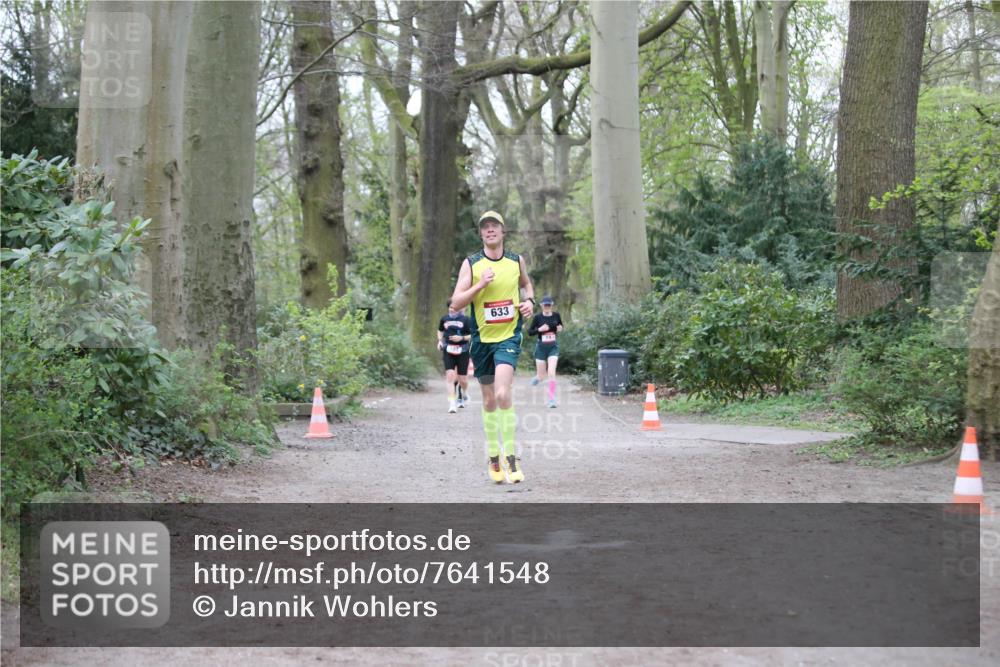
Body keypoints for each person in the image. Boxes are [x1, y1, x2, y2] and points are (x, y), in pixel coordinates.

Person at [450, 210, 534, 484]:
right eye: (485, 227)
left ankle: (512, 459)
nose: (490, 230)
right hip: (481, 341)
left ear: (503, 230)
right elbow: (456, 303)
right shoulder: (471, 264)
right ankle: (493, 457)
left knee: (501, 393)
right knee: (488, 400)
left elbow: (526, 284)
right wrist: (480, 285)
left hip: (508, 337)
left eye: (494, 226)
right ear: (481, 234)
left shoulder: (515, 260)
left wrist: (529, 301)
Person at [528, 295, 563, 408]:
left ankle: (552, 399)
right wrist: (539, 329)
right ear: (541, 305)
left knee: (551, 372)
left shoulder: (556, 315)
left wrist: (560, 328)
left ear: (552, 305)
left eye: (549, 305)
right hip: (541, 347)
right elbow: (530, 332)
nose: (547, 307)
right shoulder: (538, 317)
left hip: (553, 347)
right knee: (541, 376)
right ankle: (537, 378)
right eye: (545, 305)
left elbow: (560, 325)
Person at [437, 299, 472, 413]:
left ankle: (465, 393)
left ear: (460, 308)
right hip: (448, 349)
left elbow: (472, 335)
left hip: (463, 350)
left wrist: (461, 338)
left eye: (454, 308)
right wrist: (440, 341)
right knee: (450, 376)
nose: (452, 309)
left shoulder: (466, 320)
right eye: (450, 307)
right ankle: (452, 403)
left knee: (463, 379)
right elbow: (440, 330)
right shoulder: (444, 319)